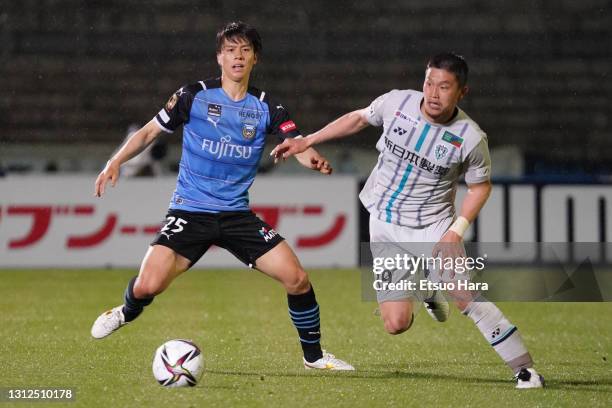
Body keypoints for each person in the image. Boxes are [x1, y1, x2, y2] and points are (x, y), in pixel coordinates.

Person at [91, 21, 353, 371]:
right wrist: (116, 160)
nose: (238, 57)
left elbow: (295, 143)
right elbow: (150, 131)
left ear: (255, 59)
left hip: (236, 216)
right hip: (190, 210)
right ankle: (125, 311)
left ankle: (315, 358)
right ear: (219, 57)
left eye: (245, 50)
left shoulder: (267, 107)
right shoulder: (192, 96)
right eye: (231, 50)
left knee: (297, 278)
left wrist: (310, 158)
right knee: (147, 285)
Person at [271, 53, 544, 387]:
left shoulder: (470, 138)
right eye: (429, 82)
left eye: (444, 87)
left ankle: (525, 371)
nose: (433, 92)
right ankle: (426, 288)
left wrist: (456, 231)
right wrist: (308, 140)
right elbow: (358, 118)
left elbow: (480, 188)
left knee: (465, 296)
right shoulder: (397, 102)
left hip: (433, 227)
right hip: (384, 224)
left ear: (462, 92)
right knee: (396, 323)